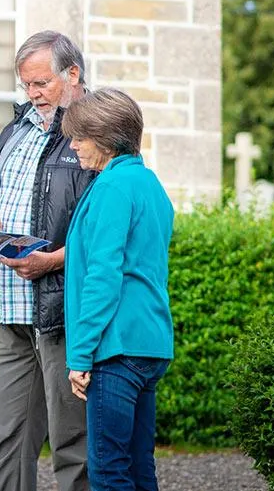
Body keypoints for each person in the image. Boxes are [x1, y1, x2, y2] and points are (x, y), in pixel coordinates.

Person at [0, 30, 95, 491]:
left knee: (73, 441)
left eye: (40, 83)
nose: (32, 94)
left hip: (62, 311)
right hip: (7, 311)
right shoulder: (14, 131)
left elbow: (107, 231)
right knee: (2, 436)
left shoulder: (98, 131)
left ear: (72, 73)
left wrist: (52, 261)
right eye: (26, 85)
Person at [61, 87, 174, 491]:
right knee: (140, 465)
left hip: (117, 347)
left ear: (106, 139)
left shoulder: (111, 188)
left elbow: (103, 277)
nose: (72, 146)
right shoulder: (149, 183)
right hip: (150, 345)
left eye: (79, 137)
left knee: (108, 471)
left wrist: (80, 355)